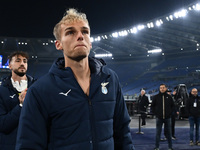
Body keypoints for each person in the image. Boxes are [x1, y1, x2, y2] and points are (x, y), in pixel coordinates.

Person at [15, 8, 134, 150]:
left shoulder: (110, 79)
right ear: (59, 44)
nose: (80, 36)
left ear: (90, 43)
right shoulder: (40, 91)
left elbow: (123, 135)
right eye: (70, 32)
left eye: (85, 31)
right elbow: (29, 145)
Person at [0, 51, 35, 150]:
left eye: (25, 61)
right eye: (18, 61)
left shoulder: (37, 88)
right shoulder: (2, 91)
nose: (22, 63)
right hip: (9, 145)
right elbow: (3, 125)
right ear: (10, 66)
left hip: (32, 145)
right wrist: (21, 106)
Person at [151, 84, 174, 150]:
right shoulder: (156, 97)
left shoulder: (169, 97)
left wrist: (170, 113)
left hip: (168, 118)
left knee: (169, 133)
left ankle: (170, 147)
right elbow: (152, 106)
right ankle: (157, 147)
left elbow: (173, 106)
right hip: (159, 118)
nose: (162, 89)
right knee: (158, 133)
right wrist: (156, 113)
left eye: (163, 88)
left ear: (166, 88)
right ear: (159, 89)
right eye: (161, 88)